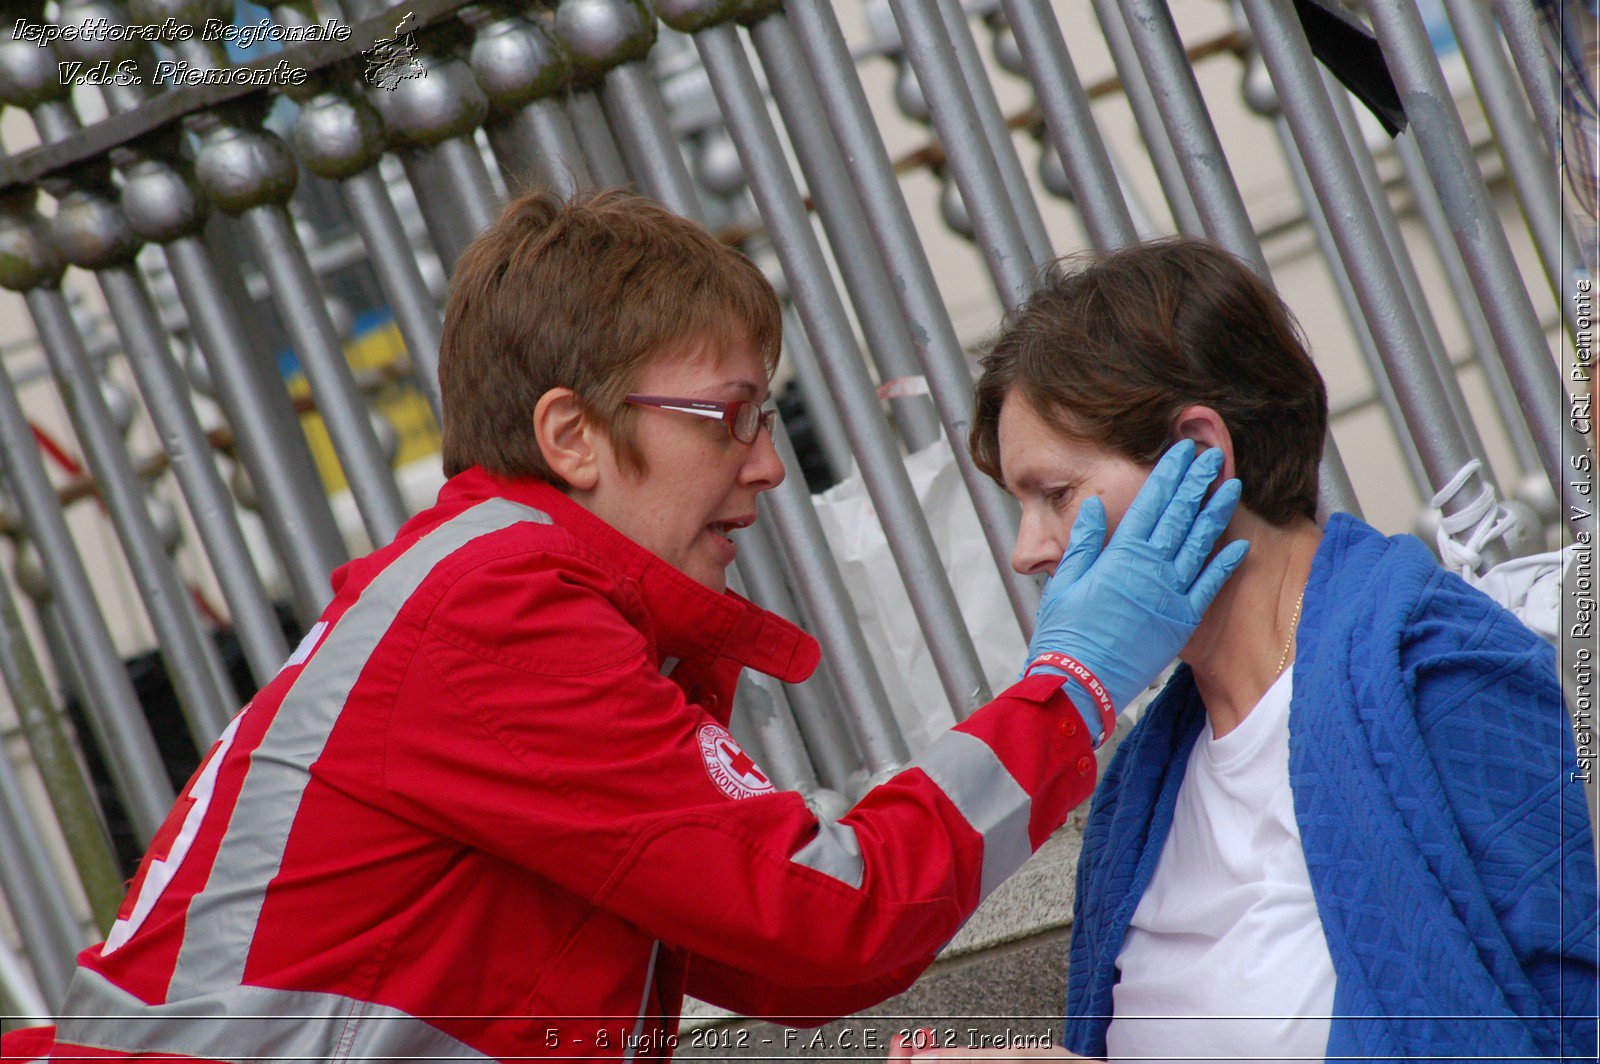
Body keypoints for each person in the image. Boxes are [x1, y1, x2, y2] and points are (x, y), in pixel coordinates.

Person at [0, 191, 1244, 1061]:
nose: (766, 464)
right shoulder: (494, 618)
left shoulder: (495, 597)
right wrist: (1070, 688)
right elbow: (823, 914)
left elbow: (779, 957)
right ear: (573, 436)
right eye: (729, 414)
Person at [959, 238, 1596, 1062]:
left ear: (1200, 453)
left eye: (1056, 495)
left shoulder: (1439, 672)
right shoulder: (1140, 790)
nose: (1029, 549)